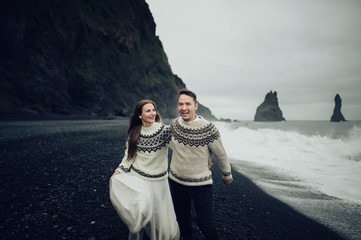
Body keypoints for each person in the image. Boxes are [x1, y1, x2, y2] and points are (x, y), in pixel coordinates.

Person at [109, 99, 180, 240]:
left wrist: (202, 160)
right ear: (140, 115)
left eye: (154, 110)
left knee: (163, 225)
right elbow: (129, 157)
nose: (152, 113)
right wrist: (119, 171)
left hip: (159, 182)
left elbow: (181, 148)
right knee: (140, 211)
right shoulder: (134, 134)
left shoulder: (164, 131)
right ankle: (137, 232)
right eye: (148, 111)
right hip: (139, 179)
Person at [169, 89, 233, 240]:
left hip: (201, 185)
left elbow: (220, 153)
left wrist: (227, 174)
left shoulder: (208, 128)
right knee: (183, 223)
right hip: (176, 183)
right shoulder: (174, 125)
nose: (183, 108)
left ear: (195, 106)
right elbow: (165, 144)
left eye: (187, 104)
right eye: (180, 104)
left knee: (205, 225)